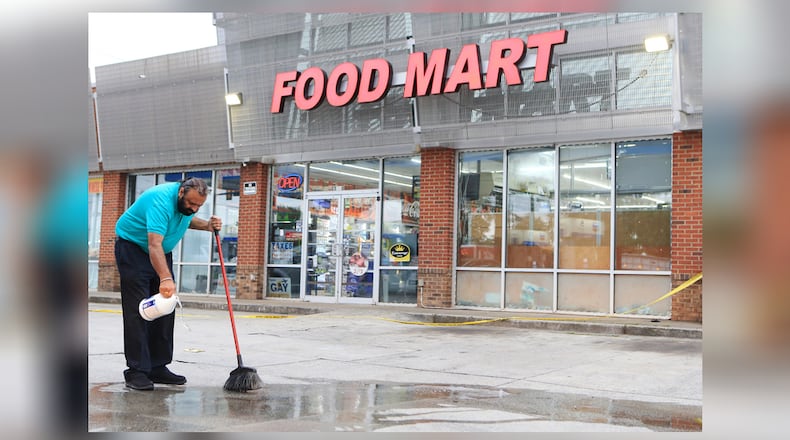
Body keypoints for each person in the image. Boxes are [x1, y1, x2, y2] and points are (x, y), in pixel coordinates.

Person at [114, 177, 222, 390]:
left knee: (164, 307)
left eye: (199, 205)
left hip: (160, 252)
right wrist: (165, 278)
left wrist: (208, 226)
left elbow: (186, 219)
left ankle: (157, 366)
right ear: (181, 192)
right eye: (191, 203)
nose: (194, 208)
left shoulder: (185, 206)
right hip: (133, 249)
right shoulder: (161, 200)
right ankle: (136, 371)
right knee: (139, 310)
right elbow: (154, 244)